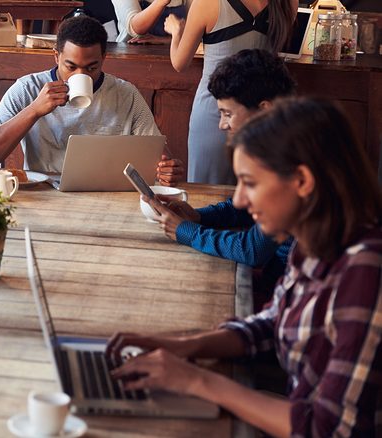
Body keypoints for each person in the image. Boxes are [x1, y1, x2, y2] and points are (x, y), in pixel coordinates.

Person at [110, 97, 382, 436]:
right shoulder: (311, 240)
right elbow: (272, 324)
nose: (238, 200)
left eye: (249, 183)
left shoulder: (366, 273)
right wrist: (184, 345)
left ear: (302, 181)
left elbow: (327, 429)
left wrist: (198, 380)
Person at [144, 49, 295, 302]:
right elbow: (245, 209)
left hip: (284, 290)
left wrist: (187, 231)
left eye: (228, 114)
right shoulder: (278, 143)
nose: (222, 125)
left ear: (264, 110)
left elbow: (253, 249)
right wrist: (199, 216)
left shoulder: (289, 160)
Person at [0, 15, 184, 186]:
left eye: (92, 68)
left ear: (104, 59)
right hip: (44, 196)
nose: (81, 75)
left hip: (107, 196)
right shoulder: (28, 89)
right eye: (70, 67)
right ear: (56, 56)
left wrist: (166, 170)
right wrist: (34, 110)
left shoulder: (125, 94)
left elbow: (158, 157)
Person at [164, 0, 295, 184]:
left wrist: (177, 32)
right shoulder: (288, 3)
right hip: (261, 114)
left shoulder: (207, 3)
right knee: (254, 195)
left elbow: (179, 63)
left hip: (215, 112)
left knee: (206, 199)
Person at [111, 0, 191, 43]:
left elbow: (194, 32)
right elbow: (135, 29)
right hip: (132, 58)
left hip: (176, 56)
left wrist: (163, 40)